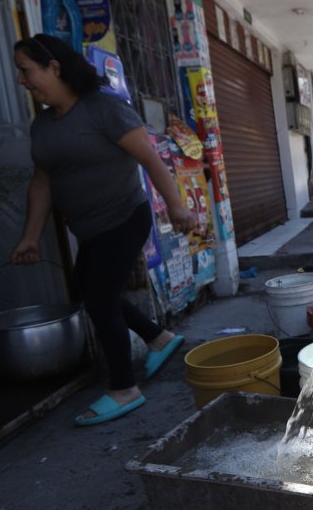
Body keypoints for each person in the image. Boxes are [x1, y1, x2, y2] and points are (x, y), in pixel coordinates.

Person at [10, 34, 197, 427]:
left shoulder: (104, 110)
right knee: (89, 288)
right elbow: (42, 183)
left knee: (99, 299)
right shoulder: (42, 126)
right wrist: (29, 237)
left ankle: (124, 388)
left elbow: (151, 160)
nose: (22, 80)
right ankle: (158, 339)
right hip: (90, 229)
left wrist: (178, 207)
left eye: (26, 70)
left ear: (53, 67)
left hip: (125, 218)